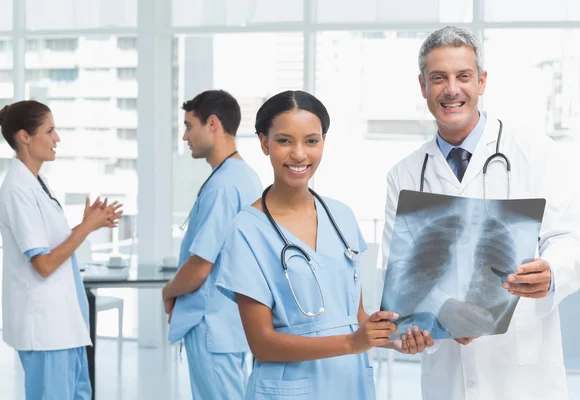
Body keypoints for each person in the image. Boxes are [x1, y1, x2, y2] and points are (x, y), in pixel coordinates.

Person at [381, 26, 580, 399]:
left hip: (524, 377)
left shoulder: (535, 152)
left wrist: (552, 272)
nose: (451, 89)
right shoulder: (404, 175)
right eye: (438, 78)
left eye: (463, 76)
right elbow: (403, 277)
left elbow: (571, 238)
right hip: (448, 380)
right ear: (422, 86)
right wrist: (432, 321)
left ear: (482, 81)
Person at [215, 90, 434, 400]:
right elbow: (261, 343)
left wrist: (398, 340)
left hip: (351, 384)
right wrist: (352, 344)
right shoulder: (247, 230)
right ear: (264, 143)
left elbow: (354, 319)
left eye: (311, 141)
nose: (300, 154)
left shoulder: (341, 216)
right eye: (285, 140)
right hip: (288, 389)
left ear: (323, 142)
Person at [0, 100, 123, 400]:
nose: (57, 138)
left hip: (64, 328)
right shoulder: (18, 189)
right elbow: (43, 264)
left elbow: (54, 247)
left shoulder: (38, 184)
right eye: (50, 131)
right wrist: (86, 227)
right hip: (45, 332)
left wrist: (86, 224)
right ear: (24, 136)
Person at [163, 90, 262, 399]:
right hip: (230, 323)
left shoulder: (223, 186)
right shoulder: (244, 177)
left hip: (212, 324)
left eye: (190, 126)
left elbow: (200, 265)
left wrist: (168, 292)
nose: (184, 136)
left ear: (213, 123)